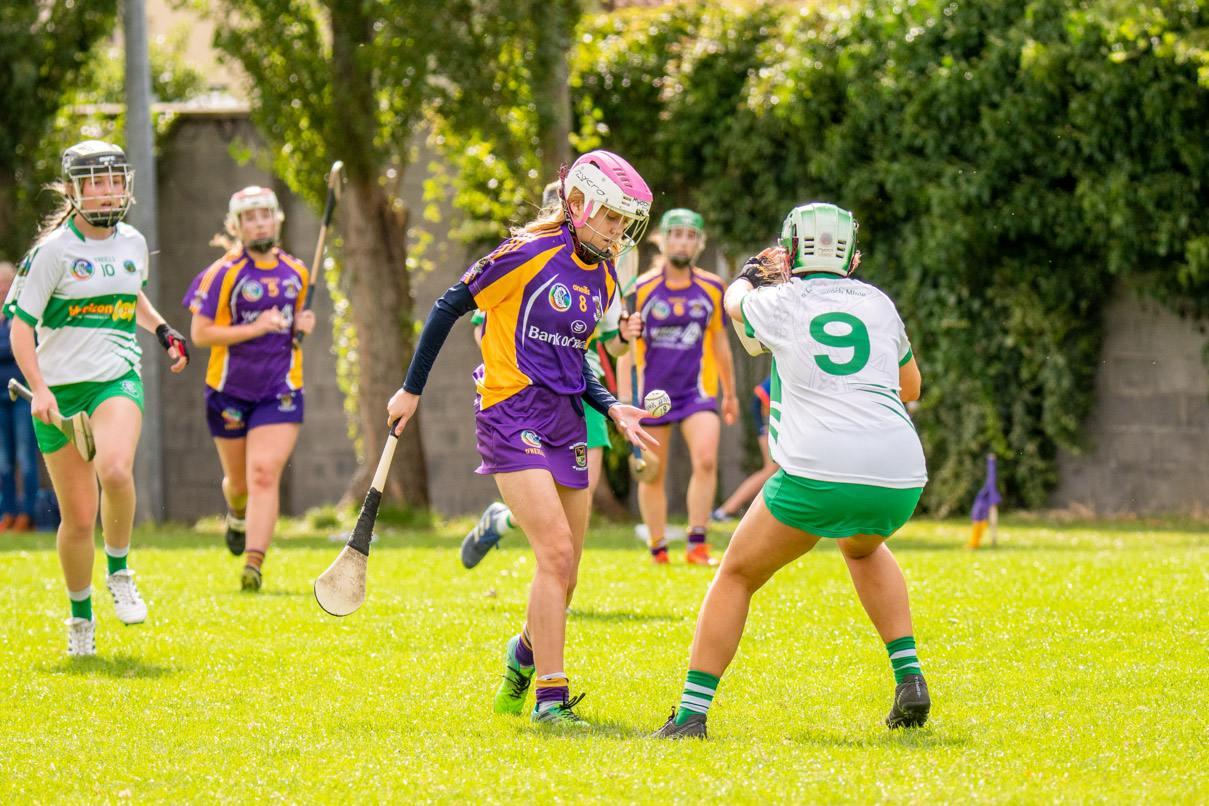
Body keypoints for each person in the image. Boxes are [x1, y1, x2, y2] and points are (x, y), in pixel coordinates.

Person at [387, 150, 656, 727]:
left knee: (568, 574)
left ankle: (522, 657)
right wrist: (410, 390)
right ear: (578, 203)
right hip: (510, 411)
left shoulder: (605, 274)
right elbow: (446, 307)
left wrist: (610, 407)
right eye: (610, 216)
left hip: (566, 418)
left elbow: (578, 355)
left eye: (624, 222)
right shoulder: (527, 253)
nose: (617, 231)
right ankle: (551, 701)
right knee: (555, 554)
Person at [653, 202, 930, 739]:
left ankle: (689, 715)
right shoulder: (877, 301)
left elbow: (733, 305)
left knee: (736, 574)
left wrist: (746, 279)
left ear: (792, 248)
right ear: (850, 253)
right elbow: (912, 388)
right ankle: (910, 677)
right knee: (862, 546)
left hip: (820, 470)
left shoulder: (779, 300)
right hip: (900, 474)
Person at [2, 140, 189, 657]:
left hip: (116, 378)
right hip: (60, 393)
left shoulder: (131, 241)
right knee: (79, 518)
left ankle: (121, 568)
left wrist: (162, 330)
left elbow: (130, 296)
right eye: (97, 182)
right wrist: (39, 389)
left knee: (115, 470)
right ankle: (80, 619)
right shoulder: (52, 252)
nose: (109, 192)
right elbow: (20, 330)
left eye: (115, 181)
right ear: (74, 189)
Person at [460, 185, 642, 569]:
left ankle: (547, 569)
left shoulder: (603, 273)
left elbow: (613, 347)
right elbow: (482, 326)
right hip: (526, 395)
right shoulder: (527, 261)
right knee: (550, 513)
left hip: (583, 392)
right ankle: (522, 537)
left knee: (584, 491)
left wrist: (624, 335)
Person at [182, 186, 315, 592]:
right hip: (229, 390)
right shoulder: (223, 273)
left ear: (278, 219)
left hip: (280, 387)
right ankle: (236, 514)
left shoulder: (297, 272)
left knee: (262, 474)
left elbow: (294, 329)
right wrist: (254, 327)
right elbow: (200, 333)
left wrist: (301, 327)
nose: (259, 223)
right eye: (250, 217)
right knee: (238, 484)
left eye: (265, 215)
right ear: (236, 225)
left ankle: (254, 565)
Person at [616, 208, 738, 566]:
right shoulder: (642, 289)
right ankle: (658, 550)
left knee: (705, 459)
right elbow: (625, 349)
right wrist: (624, 402)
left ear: (698, 243)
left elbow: (721, 346)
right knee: (652, 470)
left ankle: (697, 544)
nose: (682, 241)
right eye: (676, 234)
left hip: (698, 391)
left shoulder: (714, 287)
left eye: (690, 235)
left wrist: (729, 393)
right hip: (651, 394)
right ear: (663, 239)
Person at [0, 261, 41, 533]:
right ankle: (8, 513)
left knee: (26, 456)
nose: (2, 289)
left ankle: (27, 514)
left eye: (6, 284)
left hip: (23, 395)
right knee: (3, 460)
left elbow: (24, 348)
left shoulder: (23, 315)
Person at [710, 374, 779, 523]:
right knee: (772, 469)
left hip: (773, 403)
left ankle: (726, 510)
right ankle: (725, 511)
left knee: (776, 469)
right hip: (767, 403)